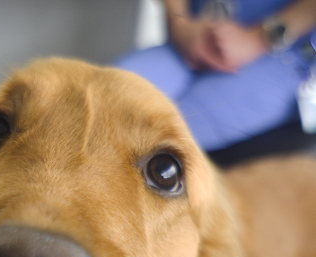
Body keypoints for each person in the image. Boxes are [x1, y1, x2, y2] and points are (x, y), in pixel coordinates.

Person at [113, 0, 316, 151]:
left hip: (287, 50)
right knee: (107, 99)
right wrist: (179, 22)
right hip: (197, 27)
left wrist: (259, 39)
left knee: (159, 139)